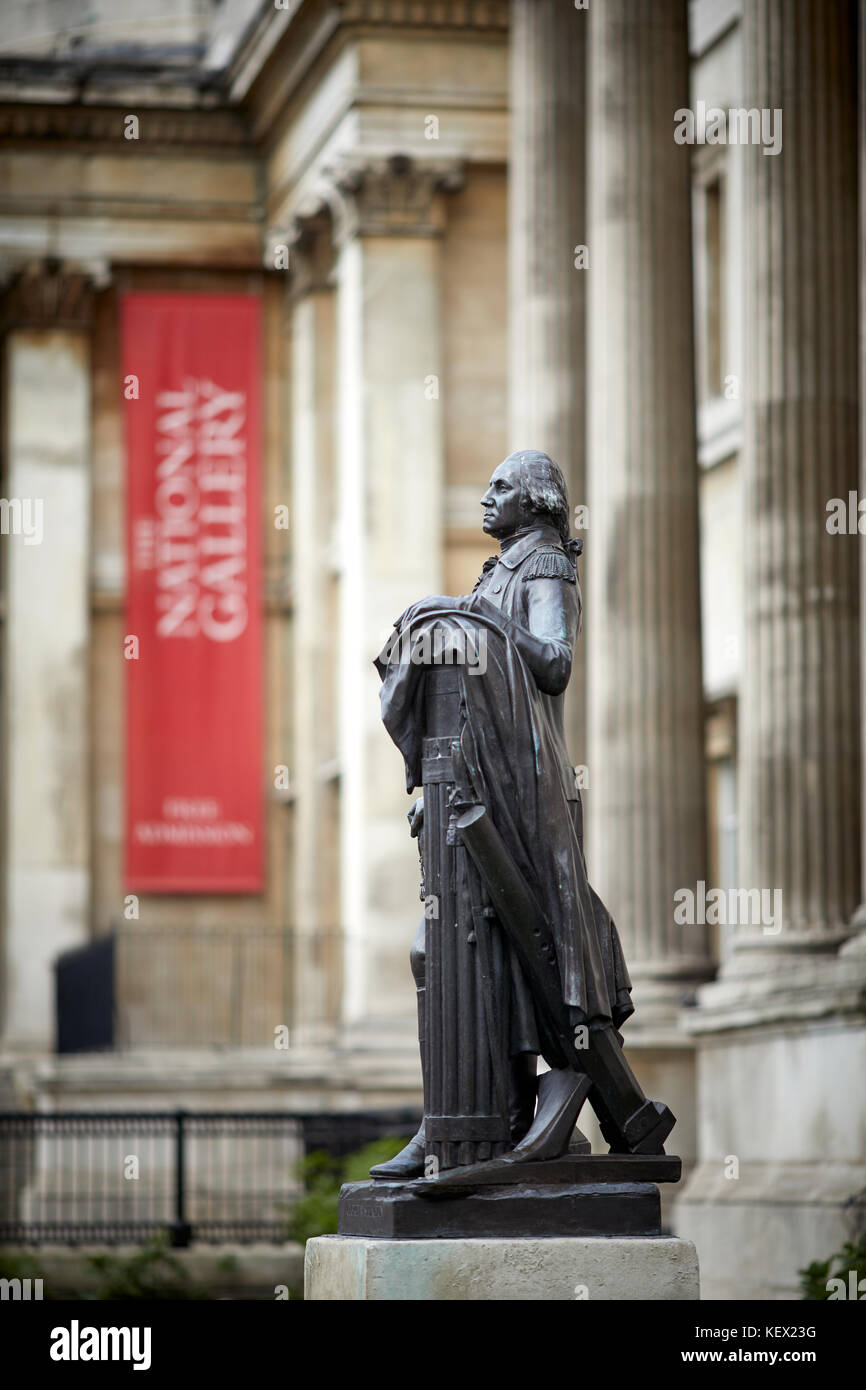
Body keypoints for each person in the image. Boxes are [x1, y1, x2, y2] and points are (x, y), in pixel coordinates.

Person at [371, 450, 674, 1178]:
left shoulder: (544, 567)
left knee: (528, 948)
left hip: (524, 788)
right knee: (441, 951)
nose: (486, 497)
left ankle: (535, 1108)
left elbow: (556, 663)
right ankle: (462, 1120)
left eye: (501, 487)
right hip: (474, 778)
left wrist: (479, 618)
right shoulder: (498, 570)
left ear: (535, 502)